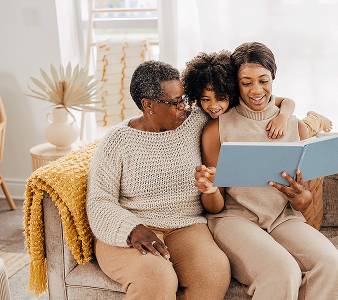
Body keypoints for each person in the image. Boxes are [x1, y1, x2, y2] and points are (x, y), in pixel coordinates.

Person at [194, 42, 338, 300]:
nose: (256, 90)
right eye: (246, 82)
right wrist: (209, 189)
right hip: (234, 220)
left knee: (331, 264)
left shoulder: (296, 126)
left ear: (273, 79)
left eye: (263, 80)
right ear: (235, 83)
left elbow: (304, 200)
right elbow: (215, 207)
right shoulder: (216, 129)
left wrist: (300, 196)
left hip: (283, 219)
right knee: (282, 271)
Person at [86, 60, 230, 300]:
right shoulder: (117, 141)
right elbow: (99, 201)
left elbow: (242, 101)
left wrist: (288, 109)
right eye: (174, 103)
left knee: (214, 271)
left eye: (183, 99)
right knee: (156, 277)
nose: (183, 107)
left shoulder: (195, 122)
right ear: (148, 105)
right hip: (132, 230)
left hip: (186, 226)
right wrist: (132, 229)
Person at [181, 50, 332, 139]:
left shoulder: (237, 99)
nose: (213, 105)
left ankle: (316, 118)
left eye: (220, 98)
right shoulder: (200, 108)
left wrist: (283, 117)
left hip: (288, 123)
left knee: (307, 126)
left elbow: (287, 101)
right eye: (206, 100)